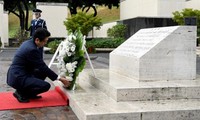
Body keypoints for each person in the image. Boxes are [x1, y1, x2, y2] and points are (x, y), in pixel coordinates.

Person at [7, 28, 70, 103]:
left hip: (22, 72)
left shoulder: (30, 43)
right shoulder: (31, 49)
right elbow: (42, 67)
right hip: (18, 77)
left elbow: (41, 66)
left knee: (42, 73)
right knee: (45, 86)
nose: (45, 43)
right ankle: (21, 93)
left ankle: (27, 92)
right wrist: (60, 78)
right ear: (37, 40)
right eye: (45, 41)